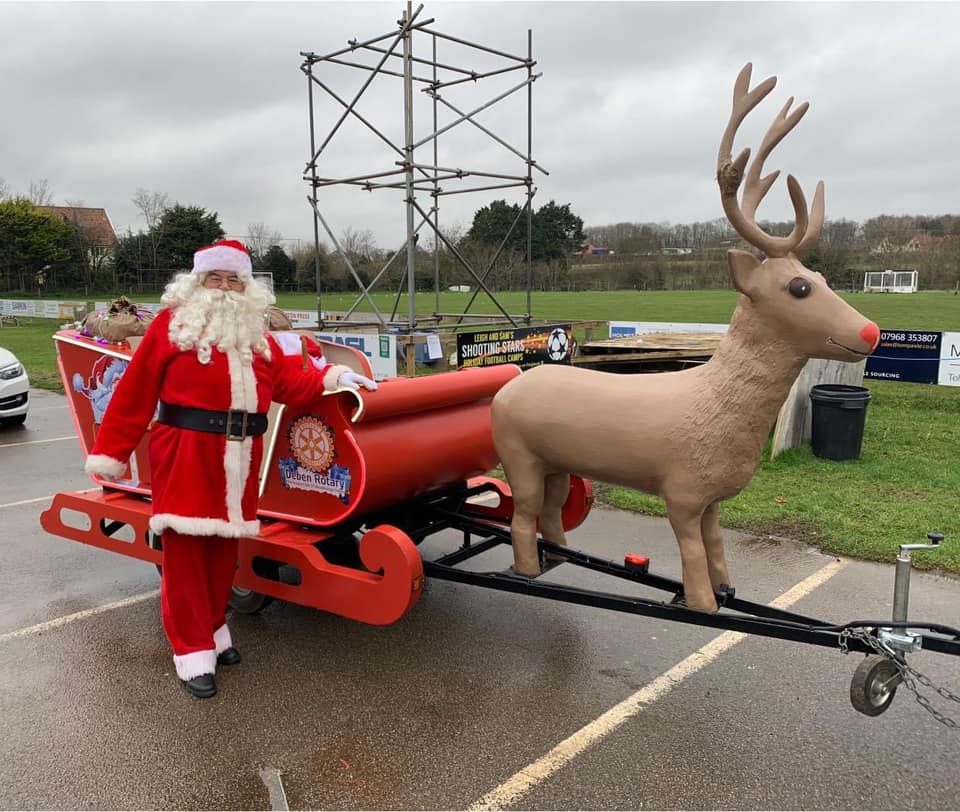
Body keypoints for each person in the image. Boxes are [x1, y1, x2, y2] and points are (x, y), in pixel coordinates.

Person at [84, 239, 377, 699]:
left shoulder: (254, 332)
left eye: (233, 279)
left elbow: (287, 383)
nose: (224, 287)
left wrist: (333, 378)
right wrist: (112, 454)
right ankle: (191, 650)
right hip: (186, 449)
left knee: (224, 552)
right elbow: (135, 391)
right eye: (215, 279)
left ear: (246, 286)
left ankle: (215, 631)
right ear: (198, 282)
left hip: (241, 457)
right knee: (185, 553)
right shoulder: (171, 326)